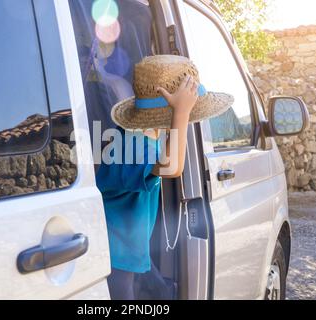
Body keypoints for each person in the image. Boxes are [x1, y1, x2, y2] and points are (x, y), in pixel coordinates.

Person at [96, 55, 233, 300]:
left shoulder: (150, 134)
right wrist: (180, 112)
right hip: (114, 258)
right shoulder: (131, 144)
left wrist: (177, 115)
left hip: (128, 253)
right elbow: (171, 168)